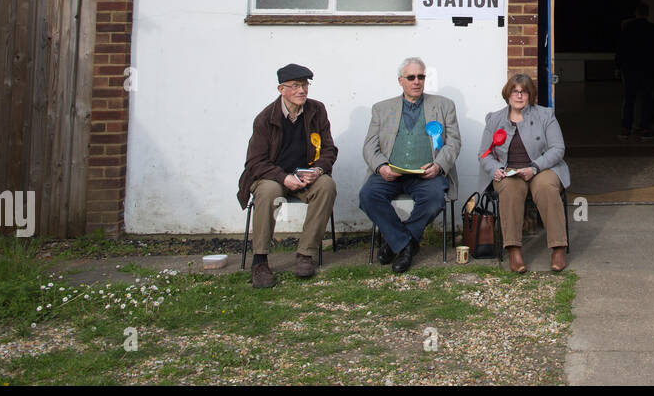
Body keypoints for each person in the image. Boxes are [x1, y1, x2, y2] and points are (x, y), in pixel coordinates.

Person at [237, 63, 338, 289]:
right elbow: (255, 163)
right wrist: (283, 178)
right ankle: (260, 261)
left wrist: (317, 170)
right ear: (281, 89)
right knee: (269, 191)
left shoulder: (317, 110)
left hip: (305, 175)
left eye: (304, 85)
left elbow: (329, 149)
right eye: (295, 86)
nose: (301, 90)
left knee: (326, 185)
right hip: (273, 176)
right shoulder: (265, 118)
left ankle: (305, 254)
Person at [360, 57, 461, 273]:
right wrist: (381, 168)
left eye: (421, 77)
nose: (417, 81)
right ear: (400, 81)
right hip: (391, 173)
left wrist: (438, 166)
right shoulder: (381, 108)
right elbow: (369, 147)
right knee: (368, 195)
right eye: (411, 77)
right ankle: (406, 244)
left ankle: (397, 243)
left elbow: (454, 143)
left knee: (434, 199)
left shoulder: (444, 106)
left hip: (427, 174)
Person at [477, 73, 569, 273]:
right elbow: (484, 155)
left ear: (530, 95)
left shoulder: (545, 115)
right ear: (507, 94)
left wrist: (534, 167)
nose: (519, 96)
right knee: (509, 190)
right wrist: (496, 170)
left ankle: (558, 247)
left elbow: (557, 148)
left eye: (524, 92)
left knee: (546, 187)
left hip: (541, 168)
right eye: (515, 91)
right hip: (508, 171)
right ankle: (514, 249)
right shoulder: (494, 119)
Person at [615, 3, 654, 140]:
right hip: (648, 70)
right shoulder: (653, 29)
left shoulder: (627, 28)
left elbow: (621, 49)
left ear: (636, 12)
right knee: (647, 100)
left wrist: (618, 66)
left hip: (629, 69)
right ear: (647, 13)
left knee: (629, 99)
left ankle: (626, 129)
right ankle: (645, 129)